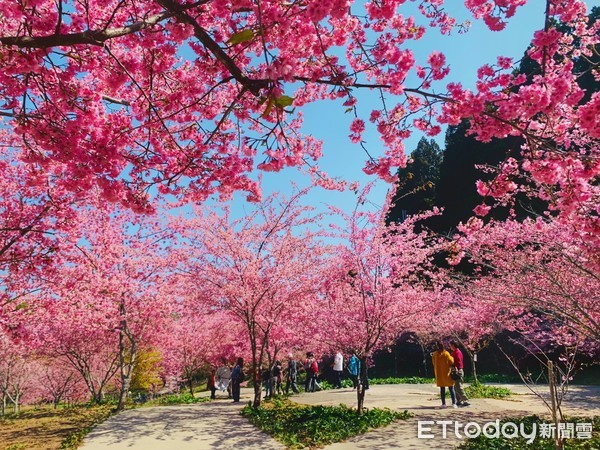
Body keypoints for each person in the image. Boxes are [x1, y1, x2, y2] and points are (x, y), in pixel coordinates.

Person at [431, 340, 457, 408]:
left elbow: (433, 363)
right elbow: (451, 361)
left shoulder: (434, 354)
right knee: (451, 388)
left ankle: (443, 404)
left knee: (442, 389)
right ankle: (454, 403)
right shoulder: (446, 353)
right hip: (447, 373)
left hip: (439, 374)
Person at [449, 340, 470, 407]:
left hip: (458, 371)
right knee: (456, 387)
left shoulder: (457, 353)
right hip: (458, 370)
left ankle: (465, 400)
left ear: (453, 345)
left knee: (458, 387)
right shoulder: (456, 352)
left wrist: (453, 366)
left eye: (451, 345)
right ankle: (459, 400)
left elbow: (458, 362)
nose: (450, 347)